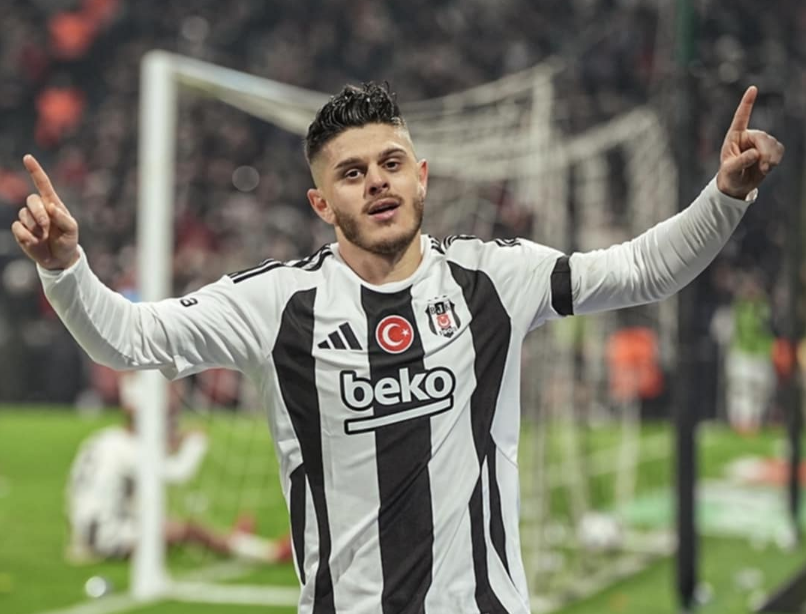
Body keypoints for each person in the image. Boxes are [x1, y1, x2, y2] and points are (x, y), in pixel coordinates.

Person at [13, 82, 783, 613]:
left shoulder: (492, 278)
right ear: (322, 203)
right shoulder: (277, 304)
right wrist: (65, 269)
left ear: (421, 177)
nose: (376, 182)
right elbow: (129, 339)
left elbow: (641, 270)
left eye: (390, 164)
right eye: (351, 174)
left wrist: (725, 196)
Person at [66, 370, 292, 564]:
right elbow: (177, 473)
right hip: (109, 538)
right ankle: (268, 553)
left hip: (86, 533)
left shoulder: (104, 439)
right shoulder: (131, 450)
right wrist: (196, 444)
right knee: (189, 530)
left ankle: (232, 540)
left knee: (165, 520)